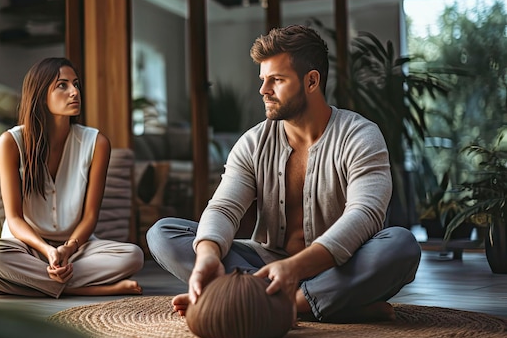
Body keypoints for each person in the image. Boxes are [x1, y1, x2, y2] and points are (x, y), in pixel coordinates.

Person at [146, 25, 421, 322]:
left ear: (312, 81)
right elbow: (224, 208)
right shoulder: (253, 142)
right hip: (266, 261)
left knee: (400, 245)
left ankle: (250, 300)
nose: (263, 90)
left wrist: (295, 269)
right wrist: (207, 257)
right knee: (163, 233)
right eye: (263, 80)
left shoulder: (360, 136)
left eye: (276, 80)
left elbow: (365, 214)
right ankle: (320, 303)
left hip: (340, 265)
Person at [0, 57, 144, 297]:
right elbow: (13, 218)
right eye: (62, 85)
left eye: (76, 84)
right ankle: (90, 290)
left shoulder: (97, 143)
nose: (74, 92)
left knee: (133, 256)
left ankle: (20, 286)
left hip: (76, 249)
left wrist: (66, 250)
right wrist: (47, 251)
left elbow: (89, 216)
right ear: (39, 95)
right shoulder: (11, 142)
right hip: (26, 247)